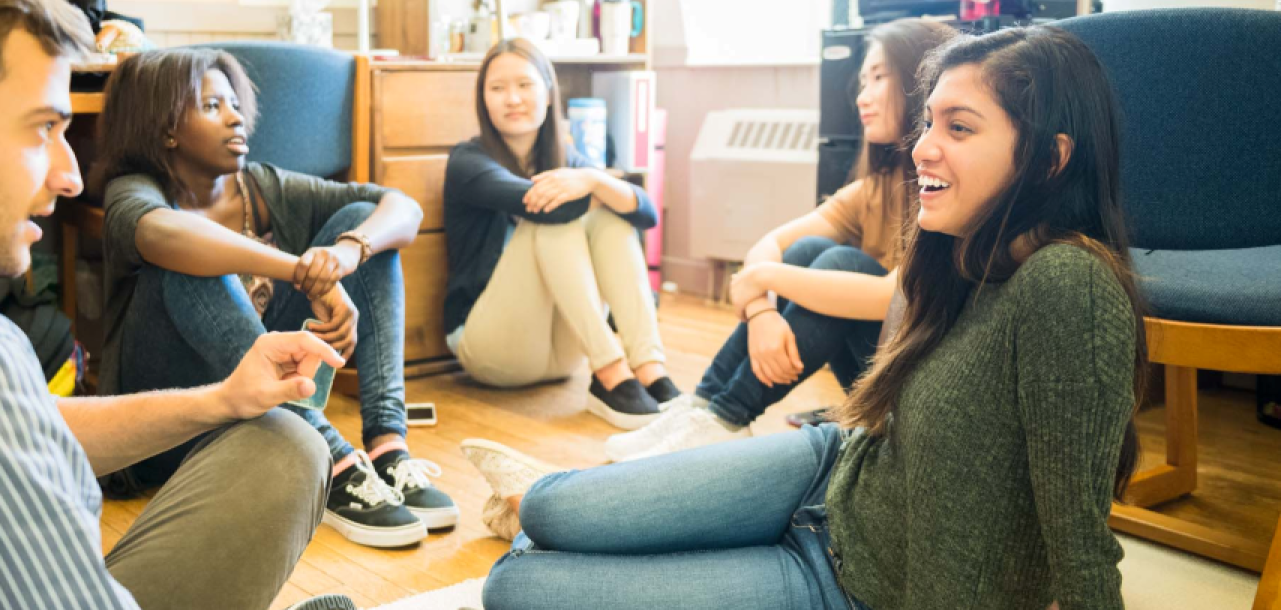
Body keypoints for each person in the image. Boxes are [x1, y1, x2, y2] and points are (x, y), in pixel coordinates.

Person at [465, 24, 1147, 610]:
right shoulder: (957, 249)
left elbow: (1083, 547)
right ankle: (618, 478)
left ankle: (661, 464)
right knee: (552, 509)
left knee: (517, 588)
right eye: (929, 121)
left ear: (1051, 159)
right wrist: (761, 303)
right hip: (829, 470)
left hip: (838, 583)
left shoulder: (1069, 284)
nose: (922, 148)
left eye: (959, 128)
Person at [0, 1, 351, 609]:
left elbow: (5, 424)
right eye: (42, 129)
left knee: (285, 448)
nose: (72, 176)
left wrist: (220, 400)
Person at [94, 48, 456, 549]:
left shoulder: (262, 187)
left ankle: (388, 447)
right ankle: (331, 456)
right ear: (166, 130)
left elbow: (403, 208)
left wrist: (349, 253)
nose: (236, 115)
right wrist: (305, 273)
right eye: (213, 106)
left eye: (234, 104)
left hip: (256, 411)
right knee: (185, 260)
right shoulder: (133, 190)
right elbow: (163, 236)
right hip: (165, 434)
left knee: (366, 228)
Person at [605, 19, 958, 463]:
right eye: (862, 80)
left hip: (920, 385)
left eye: (878, 78)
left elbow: (888, 297)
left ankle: (725, 417)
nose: (861, 97)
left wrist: (769, 278)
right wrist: (762, 316)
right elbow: (766, 248)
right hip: (879, 370)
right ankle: (707, 410)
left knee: (841, 264)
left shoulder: (945, 190)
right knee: (808, 252)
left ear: (917, 82)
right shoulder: (877, 189)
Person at [443, 39, 672, 430]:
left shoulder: (570, 163)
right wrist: (598, 186)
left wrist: (592, 178)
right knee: (552, 215)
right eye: (497, 89)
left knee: (612, 218)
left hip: (563, 354)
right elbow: (553, 207)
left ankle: (650, 370)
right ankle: (612, 373)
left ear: (549, 94)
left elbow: (646, 214)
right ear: (483, 101)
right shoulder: (468, 161)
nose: (512, 98)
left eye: (525, 85)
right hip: (490, 348)